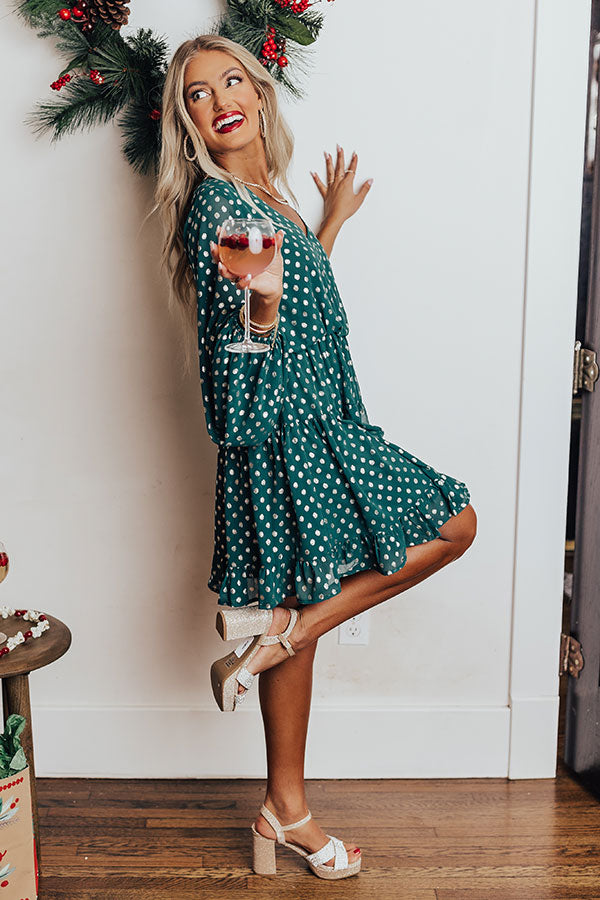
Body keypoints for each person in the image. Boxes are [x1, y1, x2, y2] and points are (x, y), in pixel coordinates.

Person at [155, 34, 477, 880]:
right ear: (187, 124)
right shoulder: (221, 209)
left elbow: (293, 300)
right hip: (287, 439)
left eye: (232, 80)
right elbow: (231, 379)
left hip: (322, 426)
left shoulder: (272, 200)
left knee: (309, 604)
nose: (220, 99)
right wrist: (259, 313)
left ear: (261, 95)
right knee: (456, 526)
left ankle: (284, 805)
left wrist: (325, 225)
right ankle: (282, 653)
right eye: (197, 94)